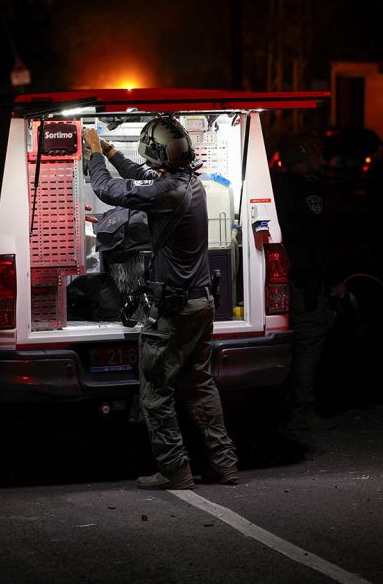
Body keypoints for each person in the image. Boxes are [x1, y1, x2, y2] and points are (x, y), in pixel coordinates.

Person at [84, 119, 238, 490]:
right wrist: (112, 152)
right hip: (201, 305)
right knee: (200, 385)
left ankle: (174, 469)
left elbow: (108, 190)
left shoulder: (166, 191)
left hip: (172, 310)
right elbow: (143, 179)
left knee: (156, 392)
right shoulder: (190, 184)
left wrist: (92, 155)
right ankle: (225, 464)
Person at [272, 132, 344, 446]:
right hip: (305, 284)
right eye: (314, 154)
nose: (320, 159)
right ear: (301, 159)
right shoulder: (306, 193)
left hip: (293, 283)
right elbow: (315, 245)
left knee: (297, 347)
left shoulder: (280, 188)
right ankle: (299, 416)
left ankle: (287, 412)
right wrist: (330, 280)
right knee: (309, 345)